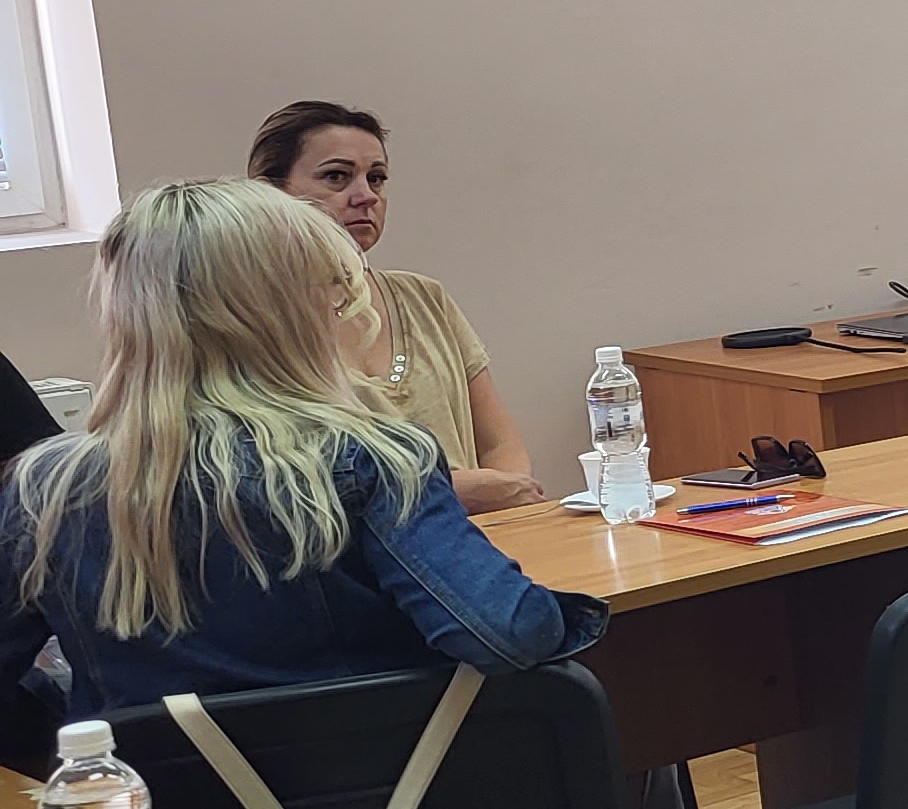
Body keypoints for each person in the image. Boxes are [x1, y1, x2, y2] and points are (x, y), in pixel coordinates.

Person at [0, 179, 605, 715]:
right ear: (280, 315)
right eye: (327, 291)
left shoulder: (44, 491)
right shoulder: (375, 459)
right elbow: (509, 634)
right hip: (390, 798)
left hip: (157, 806)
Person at [246, 101, 540, 514]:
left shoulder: (424, 298)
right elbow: (281, 481)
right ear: (273, 193)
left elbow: (499, 444)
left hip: (474, 538)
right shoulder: (249, 320)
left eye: (377, 178)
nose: (366, 196)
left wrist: (512, 504)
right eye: (337, 176)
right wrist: (443, 495)